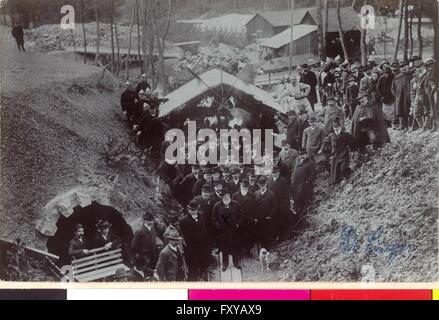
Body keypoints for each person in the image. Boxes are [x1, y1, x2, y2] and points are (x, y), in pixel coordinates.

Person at [179, 201, 211, 280]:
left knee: (204, 260)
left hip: (203, 245)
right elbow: (185, 236)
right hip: (192, 247)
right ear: (188, 209)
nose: (193, 211)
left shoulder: (201, 215)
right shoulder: (183, 221)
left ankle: (203, 272)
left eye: (195, 209)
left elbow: (205, 229)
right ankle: (196, 276)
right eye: (191, 210)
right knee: (194, 263)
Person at [212, 188, 243, 271]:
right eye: (224, 196)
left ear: (229, 196)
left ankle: (236, 263)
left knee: (235, 246)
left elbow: (241, 216)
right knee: (224, 247)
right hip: (222, 231)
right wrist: (218, 225)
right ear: (221, 197)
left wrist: (237, 224)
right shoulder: (217, 205)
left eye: (227, 196)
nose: (226, 197)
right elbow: (214, 217)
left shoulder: (236, 204)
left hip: (233, 230)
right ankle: (225, 264)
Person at [320, 118, 356, 184]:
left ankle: (345, 179)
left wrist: (352, 150)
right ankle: (337, 181)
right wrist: (327, 149)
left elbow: (352, 141)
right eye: (334, 127)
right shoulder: (331, 136)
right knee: (335, 171)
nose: (336, 128)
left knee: (344, 168)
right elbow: (324, 142)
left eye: (337, 126)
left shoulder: (345, 134)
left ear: (340, 126)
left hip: (344, 154)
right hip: (335, 155)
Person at [232, 179, 257, 256]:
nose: (245, 188)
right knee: (239, 235)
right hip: (239, 219)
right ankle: (240, 250)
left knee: (248, 236)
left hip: (249, 219)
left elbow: (255, 207)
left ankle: (248, 250)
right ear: (240, 185)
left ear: (248, 187)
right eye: (243, 186)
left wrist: (254, 218)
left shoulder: (252, 195)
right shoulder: (235, 195)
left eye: (246, 187)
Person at [267, 166, 290, 239]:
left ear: (279, 172)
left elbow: (287, 193)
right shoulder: (269, 180)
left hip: (281, 203)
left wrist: (287, 203)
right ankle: (276, 235)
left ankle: (284, 235)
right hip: (273, 204)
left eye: (276, 172)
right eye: (273, 172)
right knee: (274, 220)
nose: (274, 174)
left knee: (282, 219)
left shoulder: (283, 181)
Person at [290, 152, 316, 217]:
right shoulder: (296, 160)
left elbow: (313, 174)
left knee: (302, 198)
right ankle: (296, 213)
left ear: (306, 154)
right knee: (294, 197)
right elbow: (293, 169)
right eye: (300, 155)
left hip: (303, 184)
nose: (302, 156)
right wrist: (292, 177)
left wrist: (307, 181)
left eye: (303, 155)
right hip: (295, 183)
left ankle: (303, 214)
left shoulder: (310, 163)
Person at [254, 176, 276, 248]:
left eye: (263, 185)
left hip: (267, 218)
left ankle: (267, 247)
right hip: (258, 217)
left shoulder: (271, 194)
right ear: (258, 185)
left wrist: (270, 215)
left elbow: (274, 206)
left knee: (267, 233)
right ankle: (261, 248)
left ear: (266, 184)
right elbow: (253, 206)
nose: (262, 186)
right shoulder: (256, 193)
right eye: (260, 185)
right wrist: (255, 217)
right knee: (259, 233)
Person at [392, 61, 412, 132]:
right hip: (399, 97)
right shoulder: (397, 77)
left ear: (408, 66)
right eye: (401, 67)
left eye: (405, 66)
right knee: (400, 111)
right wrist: (396, 95)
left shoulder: (411, 75)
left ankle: (408, 126)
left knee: (408, 110)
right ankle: (402, 125)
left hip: (408, 97)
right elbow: (393, 88)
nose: (403, 68)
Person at [377, 61, 396, 126]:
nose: (387, 75)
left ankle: (393, 122)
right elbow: (378, 88)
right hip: (384, 97)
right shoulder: (381, 78)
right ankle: (387, 123)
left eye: (388, 73)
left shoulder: (393, 76)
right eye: (385, 73)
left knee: (392, 110)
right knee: (385, 111)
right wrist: (381, 96)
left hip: (392, 96)